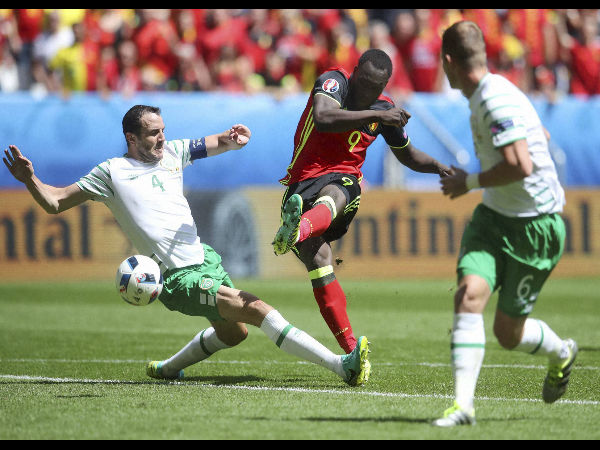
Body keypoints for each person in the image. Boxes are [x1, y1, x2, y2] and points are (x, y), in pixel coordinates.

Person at [2, 104, 370, 387]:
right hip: (177, 279)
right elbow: (55, 202)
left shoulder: (173, 152)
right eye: (151, 134)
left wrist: (235, 137)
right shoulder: (111, 172)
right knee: (257, 308)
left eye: (163, 131)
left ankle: (167, 369)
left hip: (205, 259)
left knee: (233, 333)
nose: (161, 139)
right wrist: (30, 178)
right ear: (131, 139)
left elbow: (216, 143)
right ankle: (342, 366)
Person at [433, 20, 577, 427]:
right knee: (468, 295)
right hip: (494, 219)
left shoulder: (494, 100)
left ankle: (561, 352)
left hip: (536, 226)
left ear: (449, 62)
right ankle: (462, 407)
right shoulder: (493, 93)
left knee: (508, 334)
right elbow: (539, 135)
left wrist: (470, 182)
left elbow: (520, 163)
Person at [272, 48, 450, 354]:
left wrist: (438, 167)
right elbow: (324, 117)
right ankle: (352, 353)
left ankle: (296, 230)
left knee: (341, 187)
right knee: (320, 261)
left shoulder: (385, 109)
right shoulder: (333, 82)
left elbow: (407, 155)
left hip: (341, 181)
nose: (366, 90)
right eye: (362, 81)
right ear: (354, 72)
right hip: (302, 183)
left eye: (374, 87)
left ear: (383, 87)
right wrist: (379, 115)